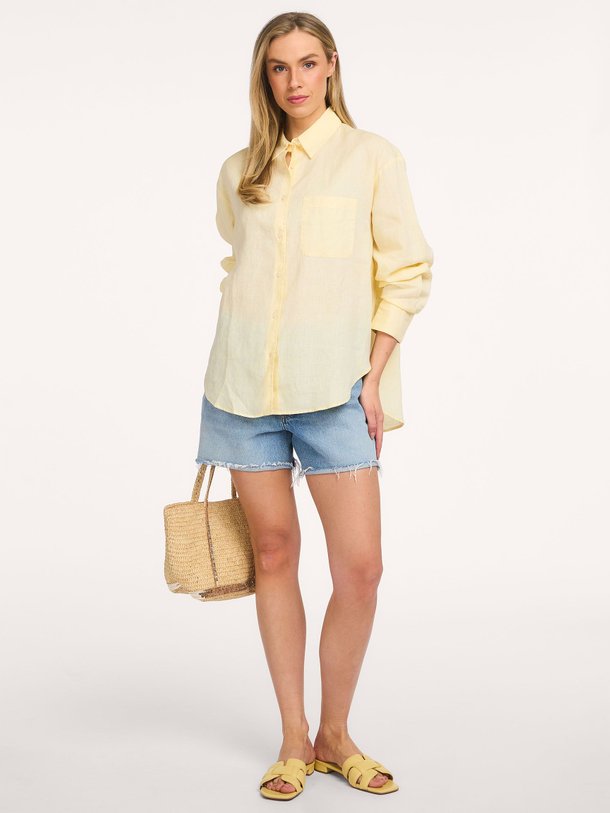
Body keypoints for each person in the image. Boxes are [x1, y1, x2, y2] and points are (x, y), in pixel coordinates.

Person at [195, 11, 433, 801]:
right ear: (263, 78)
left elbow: (407, 272)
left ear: (331, 65)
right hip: (244, 392)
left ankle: (337, 732)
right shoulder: (241, 170)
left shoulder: (371, 157)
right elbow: (239, 261)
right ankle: (295, 737)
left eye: (306, 63)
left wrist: (373, 377)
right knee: (272, 557)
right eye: (278, 67)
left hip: (336, 391)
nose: (294, 80)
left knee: (360, 569)